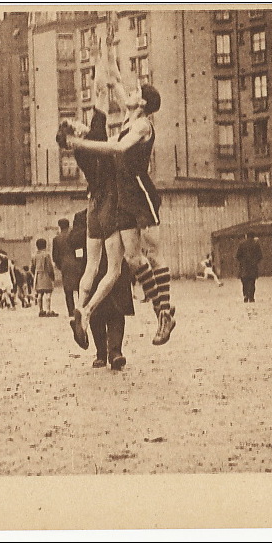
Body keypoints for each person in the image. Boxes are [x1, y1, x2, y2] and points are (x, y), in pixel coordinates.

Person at [65, 31, 175, 348]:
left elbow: (117, 148)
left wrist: (80, 142)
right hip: (125, 198)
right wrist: (108, 49)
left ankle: (164, 313)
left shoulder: (142, 125)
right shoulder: (130, 113)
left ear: (141, 102)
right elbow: (113, 78)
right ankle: (160, 312)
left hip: (141, 193)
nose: (130, 91)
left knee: (153, 255)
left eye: (136, 91)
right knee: (133, 260)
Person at [70, 209, 133, 370]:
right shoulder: (82, 216)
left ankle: (115, 353)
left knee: (117, 312)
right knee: (96, 315)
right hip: (93, 272)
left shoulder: (119, 211)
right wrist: (95, 227)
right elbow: (74, 241)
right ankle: (101, 354)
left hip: (117, 270)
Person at [52, 218, 81, 318]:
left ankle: (71, 311)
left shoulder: (56, 239)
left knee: (68, 290)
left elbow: (55, 256)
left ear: (59, 226)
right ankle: (81, 308)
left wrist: (61, 266)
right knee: (80, 287)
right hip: (78, 263)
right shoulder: (75, 235)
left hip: (65, 265)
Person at [31, 238, 57, 317]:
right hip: (46, 275)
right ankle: (48, 310)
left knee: (39, 294)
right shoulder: (46, 255)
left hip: (38, 276)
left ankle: (41, 310)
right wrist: (52, 276)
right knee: (48, 293)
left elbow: (32, 267)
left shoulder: (34, 256)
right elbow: (49, 267)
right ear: (45, 245)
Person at [235, 233, 263, 303]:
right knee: (252, 282)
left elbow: (237, 255)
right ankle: (251, 297)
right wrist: (255, 262)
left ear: (246, 236)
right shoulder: (256, 244)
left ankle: (245, 295)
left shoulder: (241, 244)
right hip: (253, 266)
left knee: (244, 282)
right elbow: (260, 256)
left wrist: (242, 261)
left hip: (244, 266)